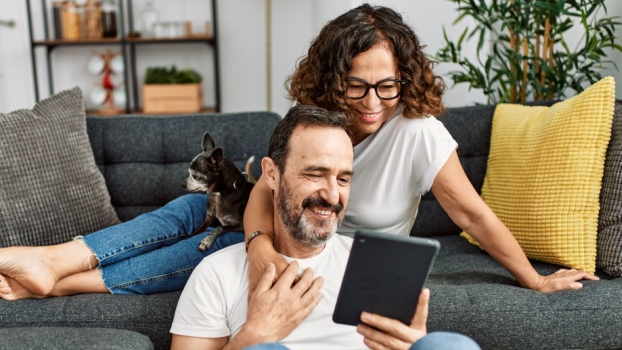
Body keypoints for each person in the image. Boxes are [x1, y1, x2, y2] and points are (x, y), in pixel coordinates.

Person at [243, 4, 598, 293]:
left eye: (387, 86)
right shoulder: (312, 121)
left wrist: (534, 279)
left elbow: (472, 215)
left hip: (351, 270)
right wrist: (258, 247)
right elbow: (266, 187)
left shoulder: (420, 133)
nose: (372, 103)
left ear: (405, 78)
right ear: (333, 80)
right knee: (194, 215)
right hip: (283, 244)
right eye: (356, 86)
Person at [171, 104, 480, 350]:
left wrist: (412, 346)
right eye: (315, 174)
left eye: (343, 179)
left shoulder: (374, 266)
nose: (333, 195)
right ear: (272, 174)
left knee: (449, 346)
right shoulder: (216, 274)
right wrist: (252, 336)